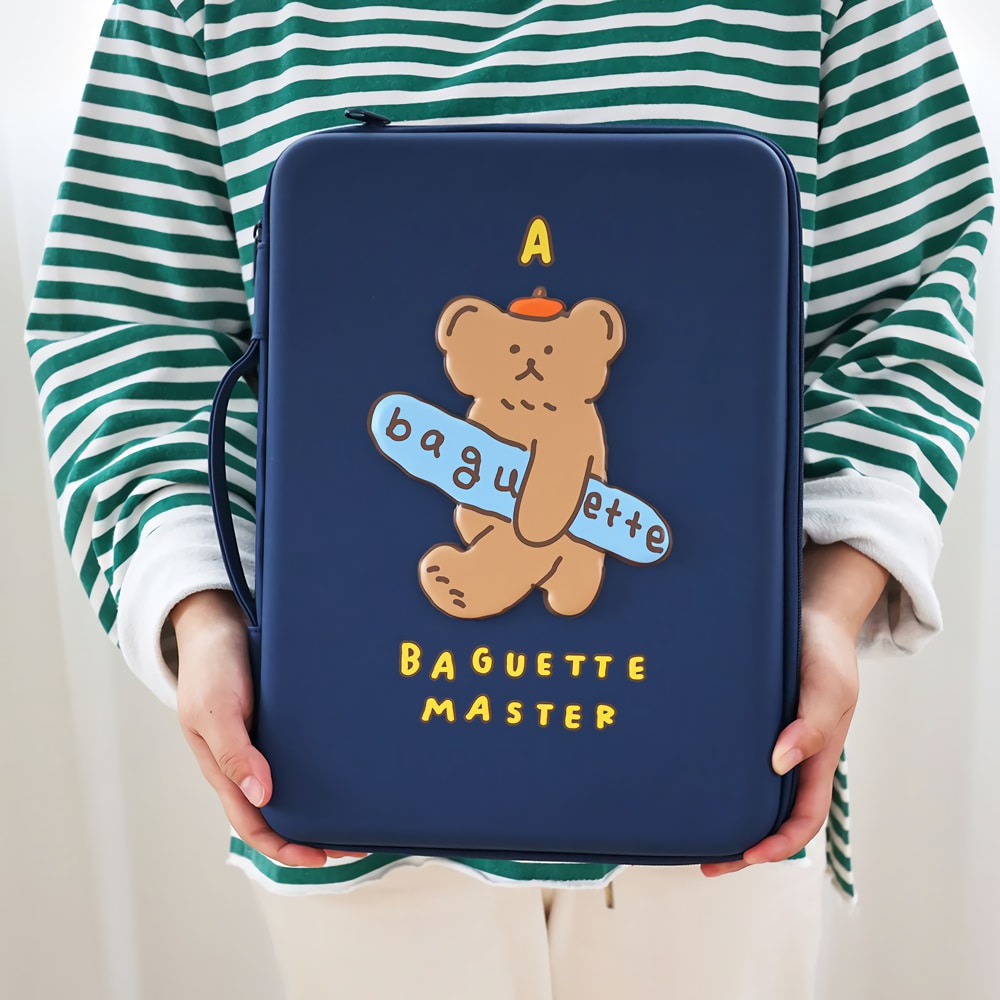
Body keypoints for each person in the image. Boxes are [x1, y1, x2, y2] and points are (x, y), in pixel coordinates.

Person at [25, 1, 993, 997]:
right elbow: (132, 330)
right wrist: (203, 618)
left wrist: (826, 608)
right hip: (358, 808)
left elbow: (903, 317)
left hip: (710, 793)